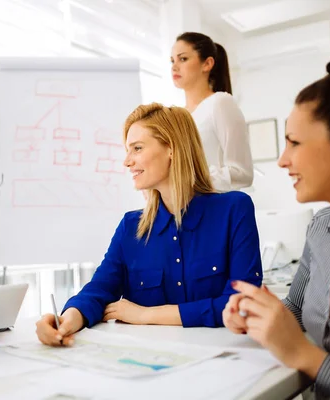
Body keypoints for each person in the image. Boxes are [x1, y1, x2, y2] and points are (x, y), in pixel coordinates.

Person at [223, 43, 330, 399]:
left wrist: (305, 356)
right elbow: (295, 310)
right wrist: (259, 315)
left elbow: (305, 351)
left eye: (293, 142)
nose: (282, 160)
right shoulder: (322, 228)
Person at [36, 103, 262, 346]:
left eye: (137, 148)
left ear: (171, 149)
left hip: (224, 364)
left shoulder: (234, 210)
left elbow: (241, 303)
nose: (127, 161)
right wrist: (67, 320)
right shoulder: (130, 227)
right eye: (128, 150)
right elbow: (98, 291)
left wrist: (146, 315)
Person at [171, 32, 253, 192]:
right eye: (172, 60)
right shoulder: (177, 115)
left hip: (214, 208)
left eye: (183, 59)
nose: (174, 66)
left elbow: (243, 173)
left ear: (207, 64)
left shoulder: (221, 102)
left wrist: (187, 181)